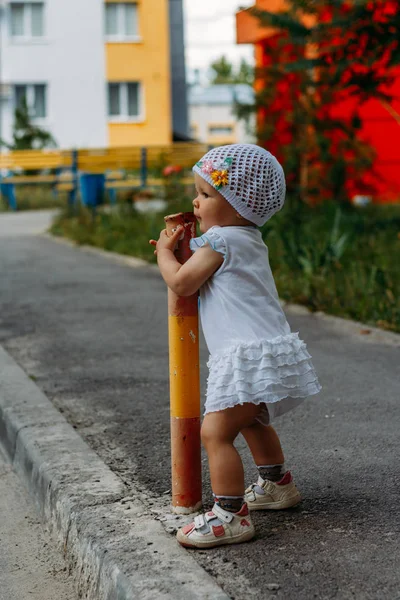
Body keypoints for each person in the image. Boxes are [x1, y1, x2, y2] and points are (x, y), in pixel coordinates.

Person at [149, 144, 321, 549]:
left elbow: (182, 282)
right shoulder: (245, 238)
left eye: (206, 195)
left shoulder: (222, 240)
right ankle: (277, 483)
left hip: (247, 355)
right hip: (266, 352)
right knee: (251, 420)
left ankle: (230, 515)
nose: (196, 200)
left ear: (240, 206)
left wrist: (162, 253)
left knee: (215, 432)